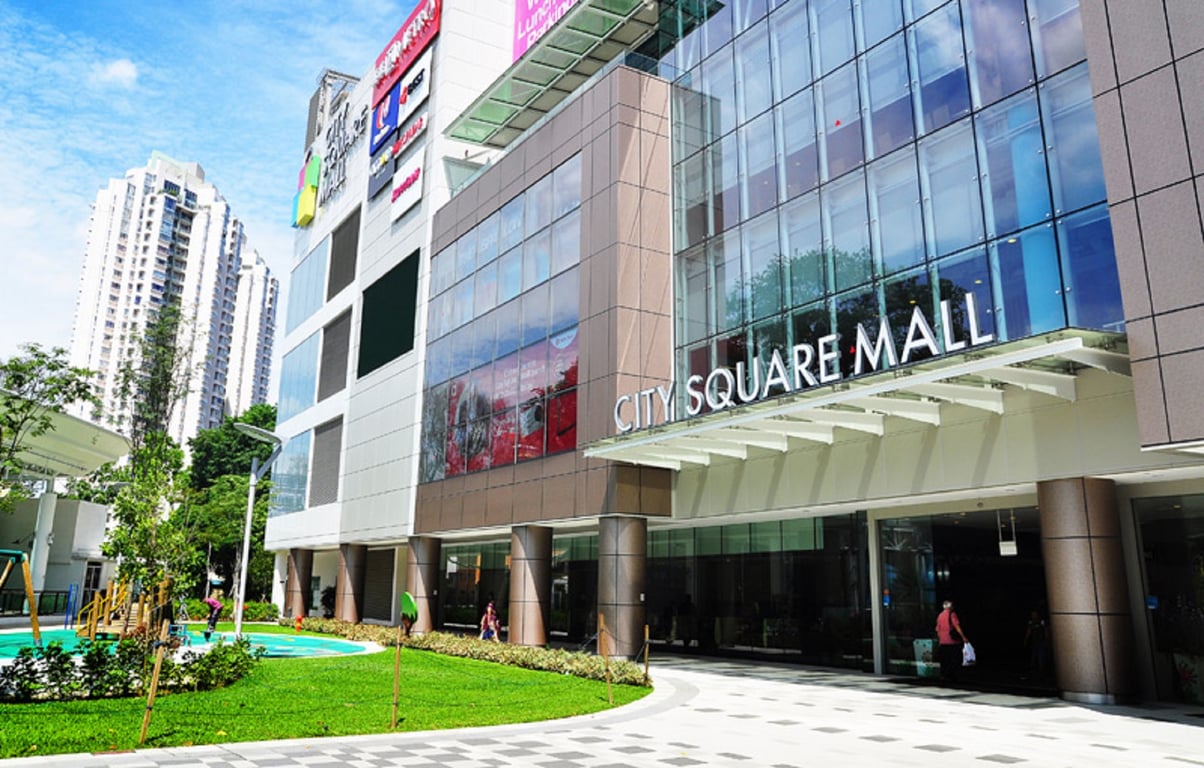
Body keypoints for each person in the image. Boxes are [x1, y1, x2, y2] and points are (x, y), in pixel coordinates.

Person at [934, 599, 967, 683]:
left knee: (945, 660)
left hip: (943, 642)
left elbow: (937, 630)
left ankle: (944, 675)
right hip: (952, 641)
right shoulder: (952, 614)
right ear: (950, 607)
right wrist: (963, 637)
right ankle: (952, 676)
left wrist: (940, 639)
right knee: (954, 660)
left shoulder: (940, 615)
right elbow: (957, 626)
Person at [1024, 609, 1050, 679]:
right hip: (1034, 642)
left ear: (1037, 614)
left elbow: (1046, 630)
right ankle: (1033, 671)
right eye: (1032, 614)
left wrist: (1047, 639)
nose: (1033, 615)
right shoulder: (1031, 622)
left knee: (1041, 656)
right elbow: (1029, 631)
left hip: (1042, 642)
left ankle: (1042, 672)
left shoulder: (1041, 621)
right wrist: (1026, 639)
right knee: (1033, 656)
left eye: (1034, 614)